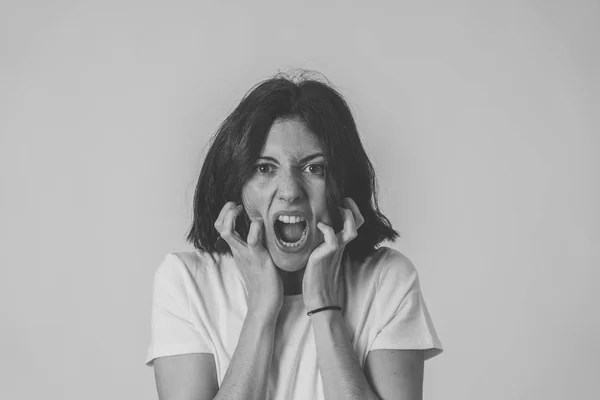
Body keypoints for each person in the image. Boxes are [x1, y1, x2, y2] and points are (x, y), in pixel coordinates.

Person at [145, 71, 443, 400]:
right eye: (264, 168)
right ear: (236, 186)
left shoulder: (387, 280)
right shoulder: (187, 283)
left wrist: (325, 307)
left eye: (314, 168)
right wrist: (261, 309)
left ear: (341, 189)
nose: (289, 191)